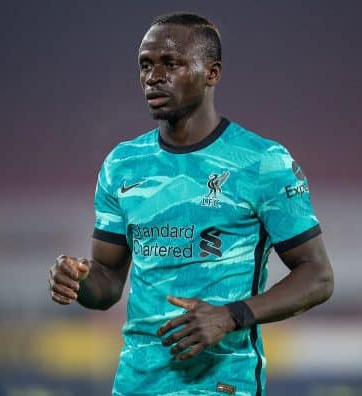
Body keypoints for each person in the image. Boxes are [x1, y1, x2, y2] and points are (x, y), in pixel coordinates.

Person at [49, 12, 333, 396]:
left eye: (171, 64)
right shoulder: (122, 165)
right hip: (137, 384)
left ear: (211, 73)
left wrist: (231, 317)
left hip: (222, 384)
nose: (153, 77)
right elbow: (109, 283)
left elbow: (318, 276)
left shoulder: (262, 162)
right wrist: (80, 282)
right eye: (145, 65)